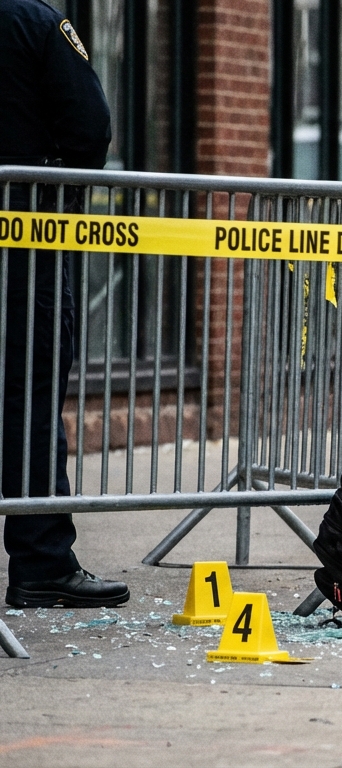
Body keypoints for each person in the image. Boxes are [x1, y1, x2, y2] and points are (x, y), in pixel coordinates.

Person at [1, 0, 128, 608]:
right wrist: (62, 203)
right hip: (27, 244)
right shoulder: (35, 21)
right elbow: (88, 124)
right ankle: (42, 562)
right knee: (29, 396)